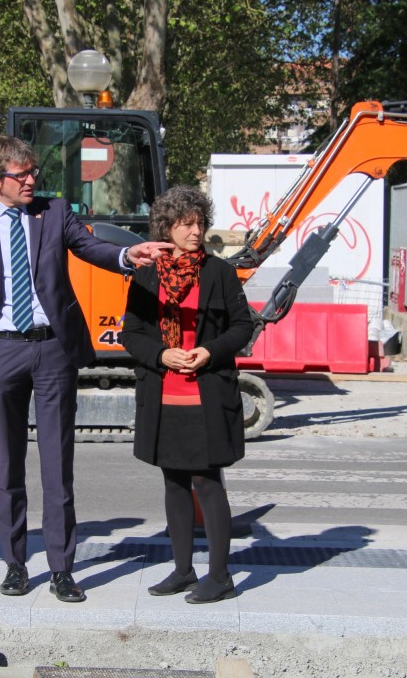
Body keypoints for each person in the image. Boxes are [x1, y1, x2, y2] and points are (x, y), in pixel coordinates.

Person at [0, 136, 172, 602]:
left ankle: (61, 569)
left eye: (33, 171)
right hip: (2, 351)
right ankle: (15, 564)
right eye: (21, 174)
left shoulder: (53, 212)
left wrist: (127, 257)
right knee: (8, 465)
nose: (31, 180)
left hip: (53, 348)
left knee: (57, 466)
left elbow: (89, 248)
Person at [119, 186, 253, 604]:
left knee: (207, 483)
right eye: (187, 224)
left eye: (200, 223)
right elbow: (130, 333)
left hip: (207, 395)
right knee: (174, 483)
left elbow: (243, 327)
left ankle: (220, 576)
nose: (196, 231)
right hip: (163, 395)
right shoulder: (146, 275)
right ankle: (182, 570)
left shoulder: (220, 272)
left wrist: (208, 352)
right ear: (167, 227)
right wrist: (162, 354)